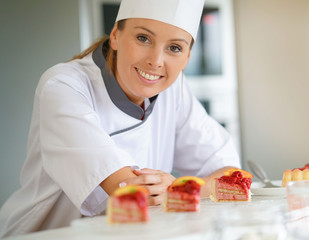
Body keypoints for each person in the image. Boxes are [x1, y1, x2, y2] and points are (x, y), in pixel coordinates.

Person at [0, 0, 240, 237]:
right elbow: (129, 191)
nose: (156, 61)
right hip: (48, 234)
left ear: (187, 57)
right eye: (143, 38)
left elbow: (230, 175)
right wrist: (185, 188)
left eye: (174, 48)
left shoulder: (174, 91)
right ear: (115, 36)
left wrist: (180, 188)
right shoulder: (64, 85)